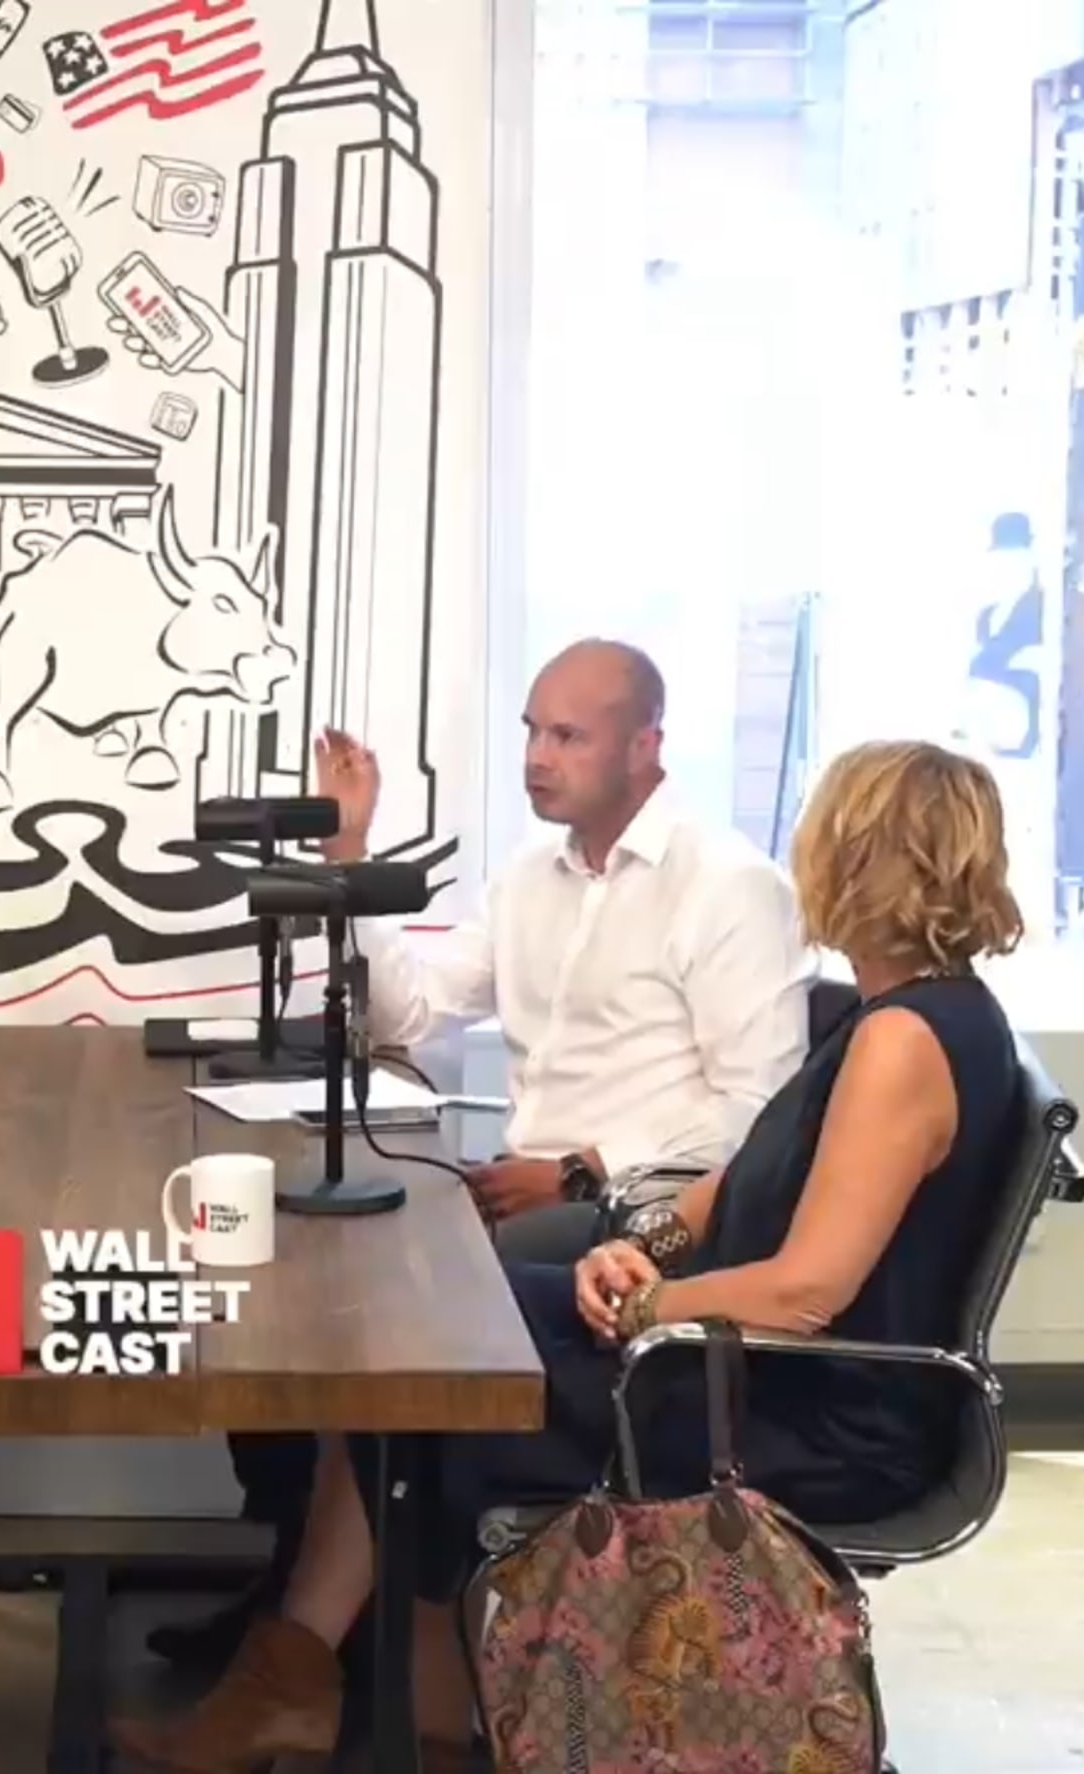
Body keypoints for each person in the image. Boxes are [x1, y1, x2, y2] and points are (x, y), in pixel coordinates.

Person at [109, 739, 1033, 1771]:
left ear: (854, 855)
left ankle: (368, 1702)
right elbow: (735, 1184)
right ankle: (333, 1681)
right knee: (420, 1321)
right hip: (733, 1356)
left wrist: (650, 1306)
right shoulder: (881, 1014)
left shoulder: (906, 1042)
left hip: (795, 1403)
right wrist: (641, 1245)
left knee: (427, 1379)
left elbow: (809, 1289)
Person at [152, 638, 813, 1670]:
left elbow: (762, 1117)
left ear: (647, 747)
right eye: (531, 732)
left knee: (390, 1320)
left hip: (651, 1218)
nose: (537, 757)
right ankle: (301, 1605)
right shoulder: (529, 878)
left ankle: (316, 1647)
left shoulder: (728, 886)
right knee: (304, 1284)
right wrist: (353, 860)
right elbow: (411, 1010)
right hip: (531, 1189)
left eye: (568, 735)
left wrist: (587, 1166)